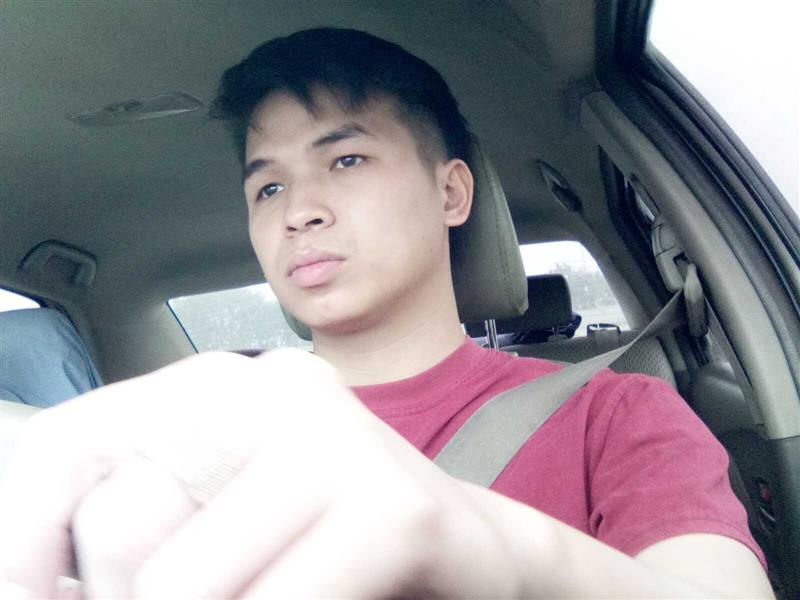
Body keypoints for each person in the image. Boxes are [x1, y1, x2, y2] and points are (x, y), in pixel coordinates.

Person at [0, 28, 772, 599]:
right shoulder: (204, 425)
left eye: (346, 159)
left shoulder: (616, 413)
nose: (298, 210)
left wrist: (501, 553)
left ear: (451, 192)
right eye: (268, 187)